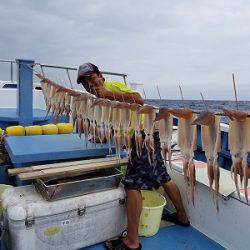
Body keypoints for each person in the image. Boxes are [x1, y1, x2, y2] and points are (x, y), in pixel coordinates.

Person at [77, 63, 189, 250]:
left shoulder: (111, 87)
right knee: (162, 176)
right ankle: (182, 216)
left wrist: (108, 93)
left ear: (100, 76)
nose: (89, 84)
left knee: (131, 184)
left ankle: (132, 241)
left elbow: (138, 100)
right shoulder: (102, 101)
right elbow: (120, 120)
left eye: (91, 78)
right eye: (84, 82)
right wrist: (106, 136)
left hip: (143, 136)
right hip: (149, 133)